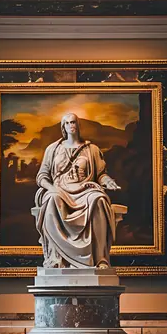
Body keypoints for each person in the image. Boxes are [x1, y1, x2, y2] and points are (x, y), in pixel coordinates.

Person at [33, 112, 122, 268]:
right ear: (63, 127)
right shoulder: (53, 149)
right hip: (60, 190)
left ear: (78, 125)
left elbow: (101, 174)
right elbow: (42, 176)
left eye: (73, 122)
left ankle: (100, 258)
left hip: (84, 189)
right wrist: (53, 188)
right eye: (67, 123)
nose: (71, 125)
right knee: (51, 198)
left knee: (99, 199)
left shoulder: (92, 149)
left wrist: (107, 181)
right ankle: (57, 258)